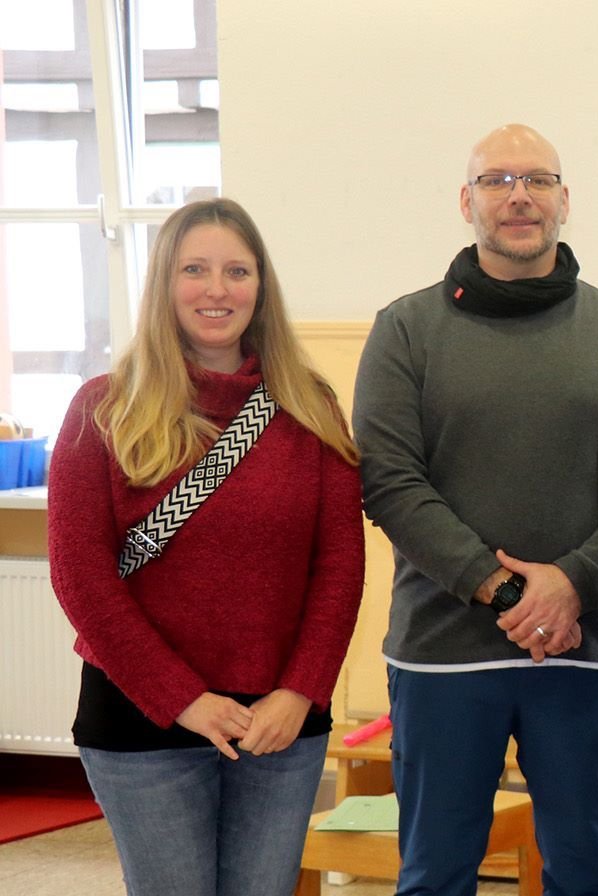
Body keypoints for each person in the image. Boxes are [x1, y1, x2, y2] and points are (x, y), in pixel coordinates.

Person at [47, 197, 364, 896]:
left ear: (261, 286)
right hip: (142, 717)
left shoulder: (308, 406)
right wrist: (184, 699)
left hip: (278, 724)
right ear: (164, 283)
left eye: (236, 271)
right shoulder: (103, 408)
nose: (216, 289)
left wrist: (300, 692)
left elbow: (339, 567)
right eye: (194, 269)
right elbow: (81, 580)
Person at [354, 124, 598, 896]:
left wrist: (573, 584)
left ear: (564, 200)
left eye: (537, 180)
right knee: (436, 875)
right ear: (466, 201)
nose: (518, 196)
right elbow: (392, 483)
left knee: (583, 874)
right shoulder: (405, 328)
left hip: (583, 647)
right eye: (498, 180)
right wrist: (511, 593)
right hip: (444, 655)